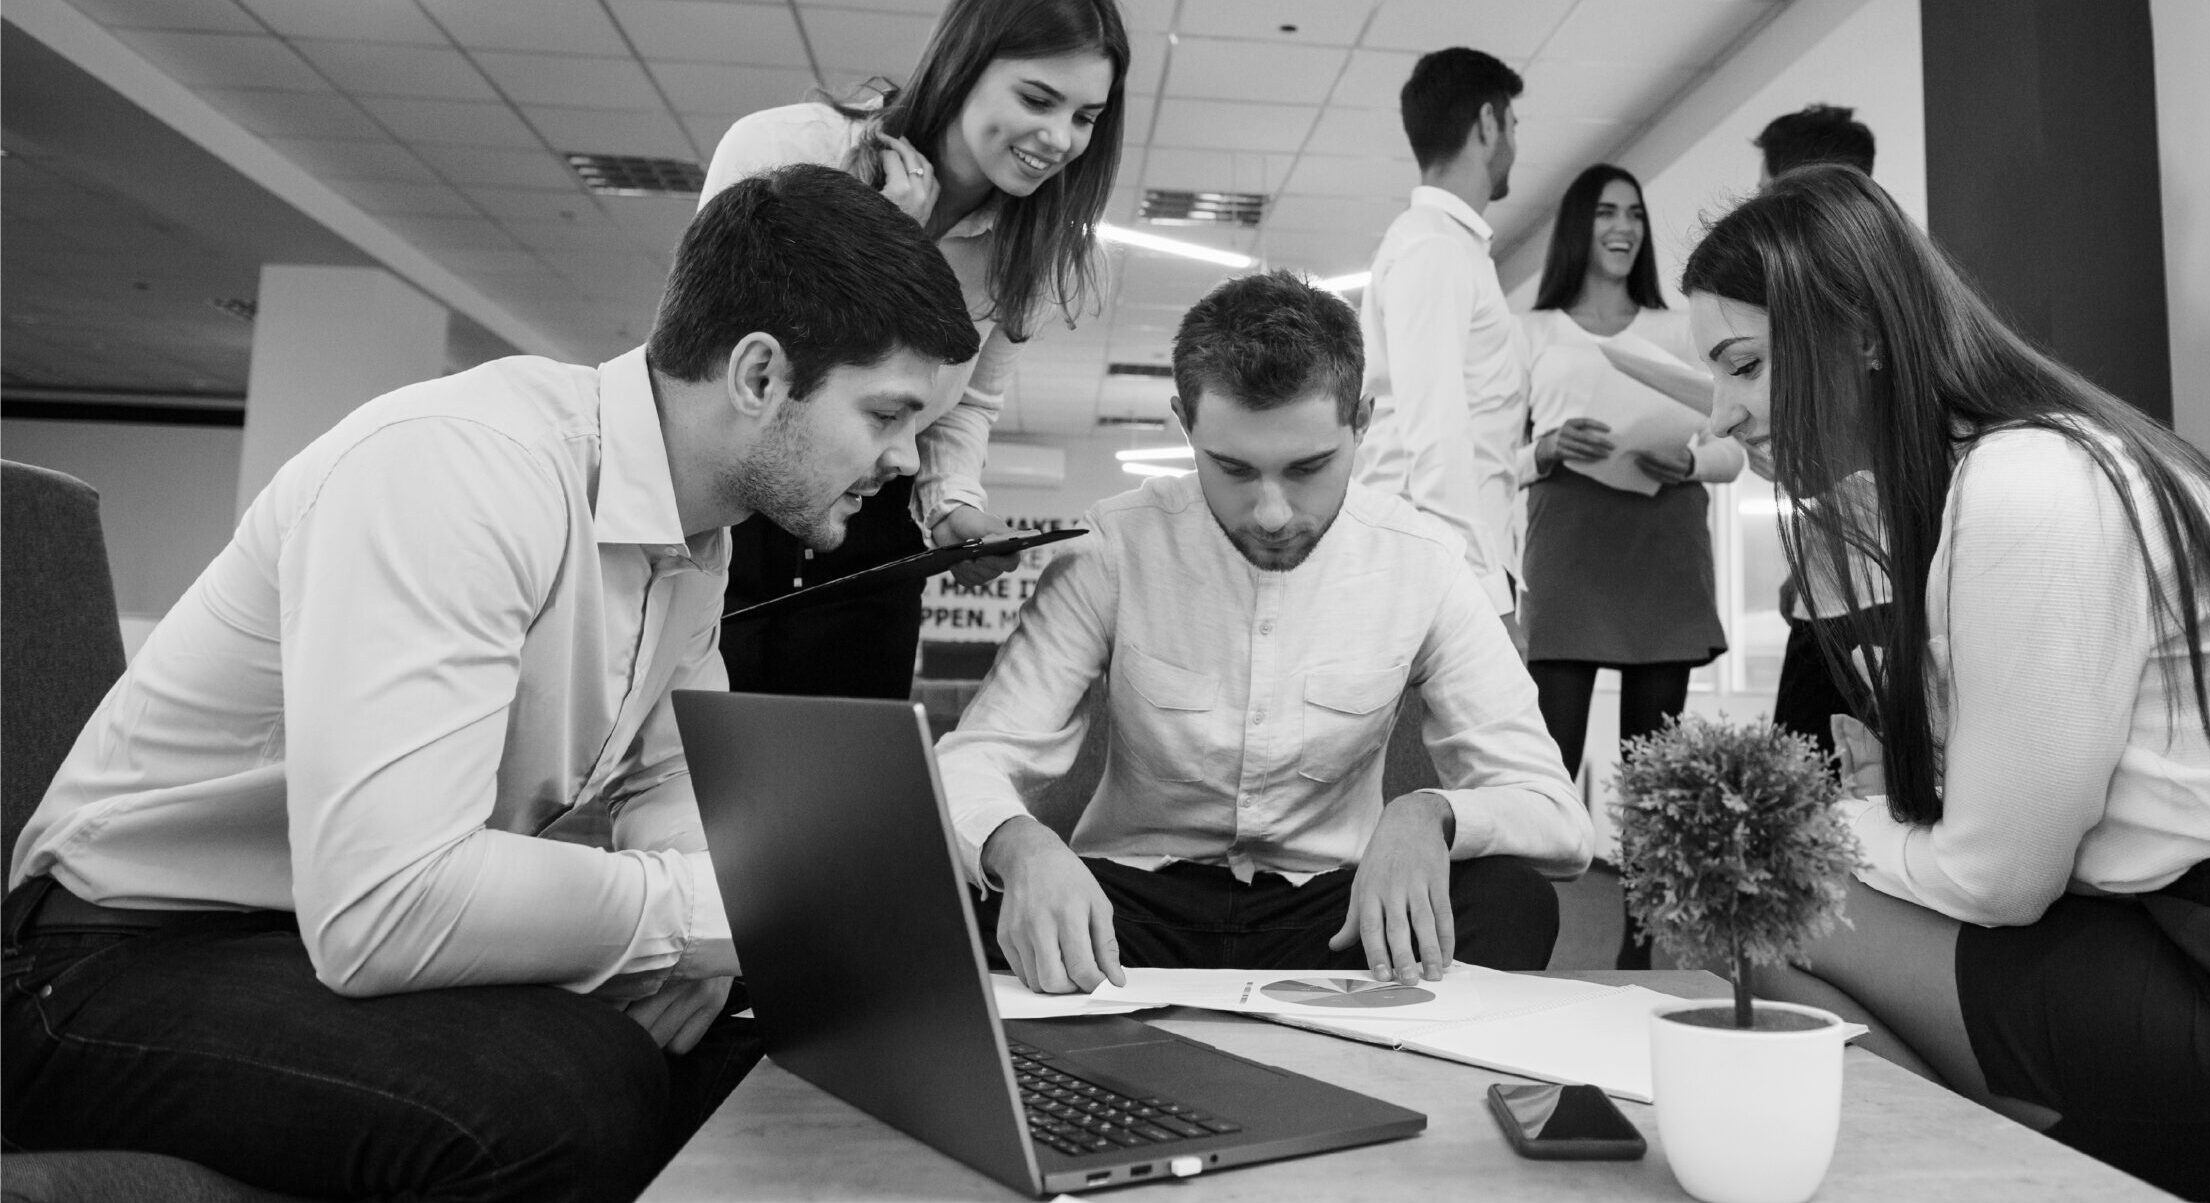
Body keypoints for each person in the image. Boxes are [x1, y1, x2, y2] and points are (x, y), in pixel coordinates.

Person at [2, 165, 982, 1202]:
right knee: (563, 1099)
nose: (907, 461)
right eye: (887, 415)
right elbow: (389, 905)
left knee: (776, 1064)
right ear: (758, 376)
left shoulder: (699, 540)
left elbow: (669, 796)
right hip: (106, 961)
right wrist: (728, 911)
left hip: (299, 947)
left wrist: (721, 941)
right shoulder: (459, 468)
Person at [1680, 164, 2210, 1201]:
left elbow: (1996, 880)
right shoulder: (2026, 466)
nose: (1723, 417)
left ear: (1860, 333)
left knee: (1749, 894)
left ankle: (1969, 1177)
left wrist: (1835, 821)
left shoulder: (2029, 484)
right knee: (1776, 899)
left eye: (1743, 366)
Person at [938, 271, 1590, 996]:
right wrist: (1019, 845)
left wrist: (1431, 813)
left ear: (1362, 423)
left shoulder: (1425, 564)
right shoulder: (1110, 549)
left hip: (1337, 918)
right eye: (1234, 469)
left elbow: (1558, 817)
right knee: (957, 890)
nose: (1273, 512)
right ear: (1186, 422)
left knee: (1511, 896)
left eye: (1308, 468)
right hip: (1132, 912)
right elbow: (971, 760)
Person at [702, 0, 1129, 700]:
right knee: (690, 779)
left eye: (1085, 118)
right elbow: (718, 354)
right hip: (737, 505)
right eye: (1037, 98)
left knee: (851, 792)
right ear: (962, 65)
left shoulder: (1032, 251)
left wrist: (953, 507)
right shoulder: (785, 150)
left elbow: (966, 406)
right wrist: (879, 243)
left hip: (869, 531)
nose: (1059, 138)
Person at [1516, 164, 1745, 970]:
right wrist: (1544, 447)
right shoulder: (1532, 330)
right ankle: (1522, 932)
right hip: (1570, 542)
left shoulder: (1678, 326)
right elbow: (1493, 457)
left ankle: (1639, 948)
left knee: (1654, 770)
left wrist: (1692, 460)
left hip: (1662, 537)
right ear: (1579, 224)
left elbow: (1735, 442)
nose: (1623, 227)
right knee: (1547, 757)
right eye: (1608, 212)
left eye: (1635, 215)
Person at [1354, 47, 1532, 627]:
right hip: (1436, 568)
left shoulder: (1448, 247)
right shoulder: (1434, 248)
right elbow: (1436, 435)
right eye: (1512, 125)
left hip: (1445, 557)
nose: (1514, 144)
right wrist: (1485, 599)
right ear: (1487, 122)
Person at [1751, 102, 1893, 764]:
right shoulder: (1853, 283)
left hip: (1875, 594)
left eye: (1764, 191)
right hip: (1837, 582)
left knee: (1806, 792)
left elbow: (1826, 450)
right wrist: (1806, 562)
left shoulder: (1852, 297)